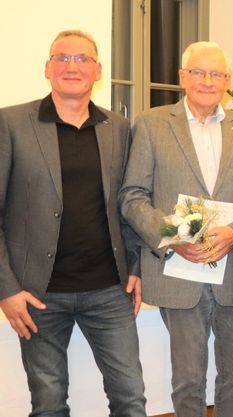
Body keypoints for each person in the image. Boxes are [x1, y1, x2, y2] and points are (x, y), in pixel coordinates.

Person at [0, 30, 146, 416]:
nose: (72, 66)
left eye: (82, 59)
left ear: (98, 70)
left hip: (110, 290)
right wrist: (7, 289)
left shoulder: (118, 128)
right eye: (62, 57)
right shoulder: (10, 123)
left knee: (131, 399)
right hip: (37, 294)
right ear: (47, 67)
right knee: (48, 404)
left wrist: (135, 265)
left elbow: (128, 203)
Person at [119, 41, 233, 417]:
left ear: (227, 80)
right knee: (187, 381)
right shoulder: (151, 124)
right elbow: (132, 196)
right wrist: (173, 237)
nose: (207, 81)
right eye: (198, 72)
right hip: (178, 273)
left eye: (216, 73)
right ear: (182, 76)